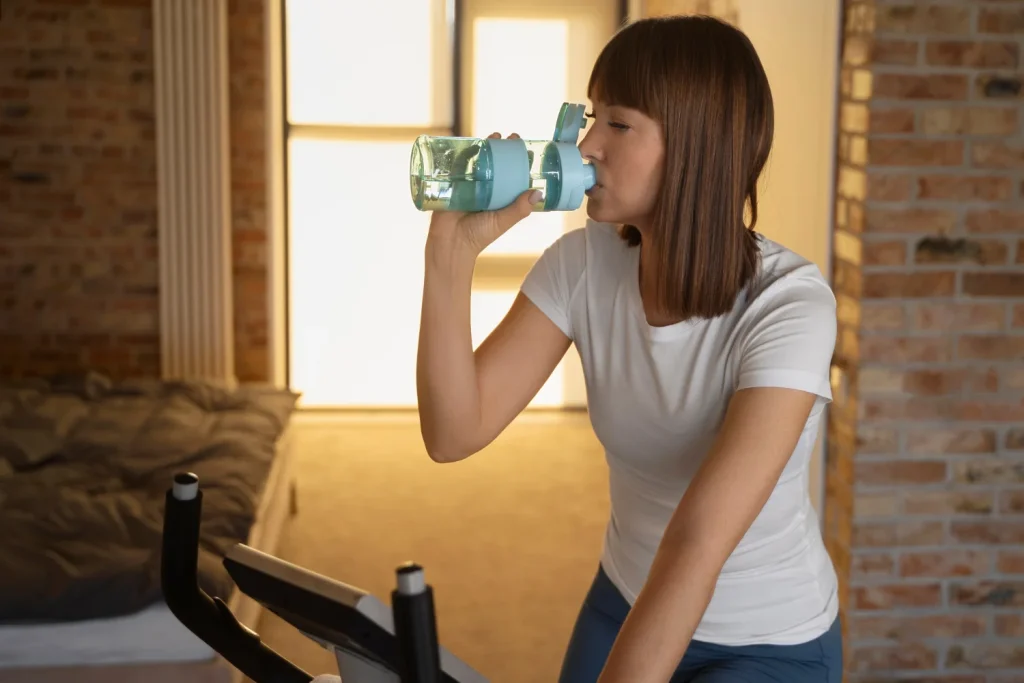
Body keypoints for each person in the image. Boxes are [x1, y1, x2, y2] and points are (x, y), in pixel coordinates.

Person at [415, 13, 842, 683]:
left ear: (698, 145)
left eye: (617, 124)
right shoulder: (581, 265)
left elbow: (697, 544)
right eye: (591, 118)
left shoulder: (791, 306)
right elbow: (453, 430)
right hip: (627, 596)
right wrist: (451, 249)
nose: (586, 145)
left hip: (765, 637)